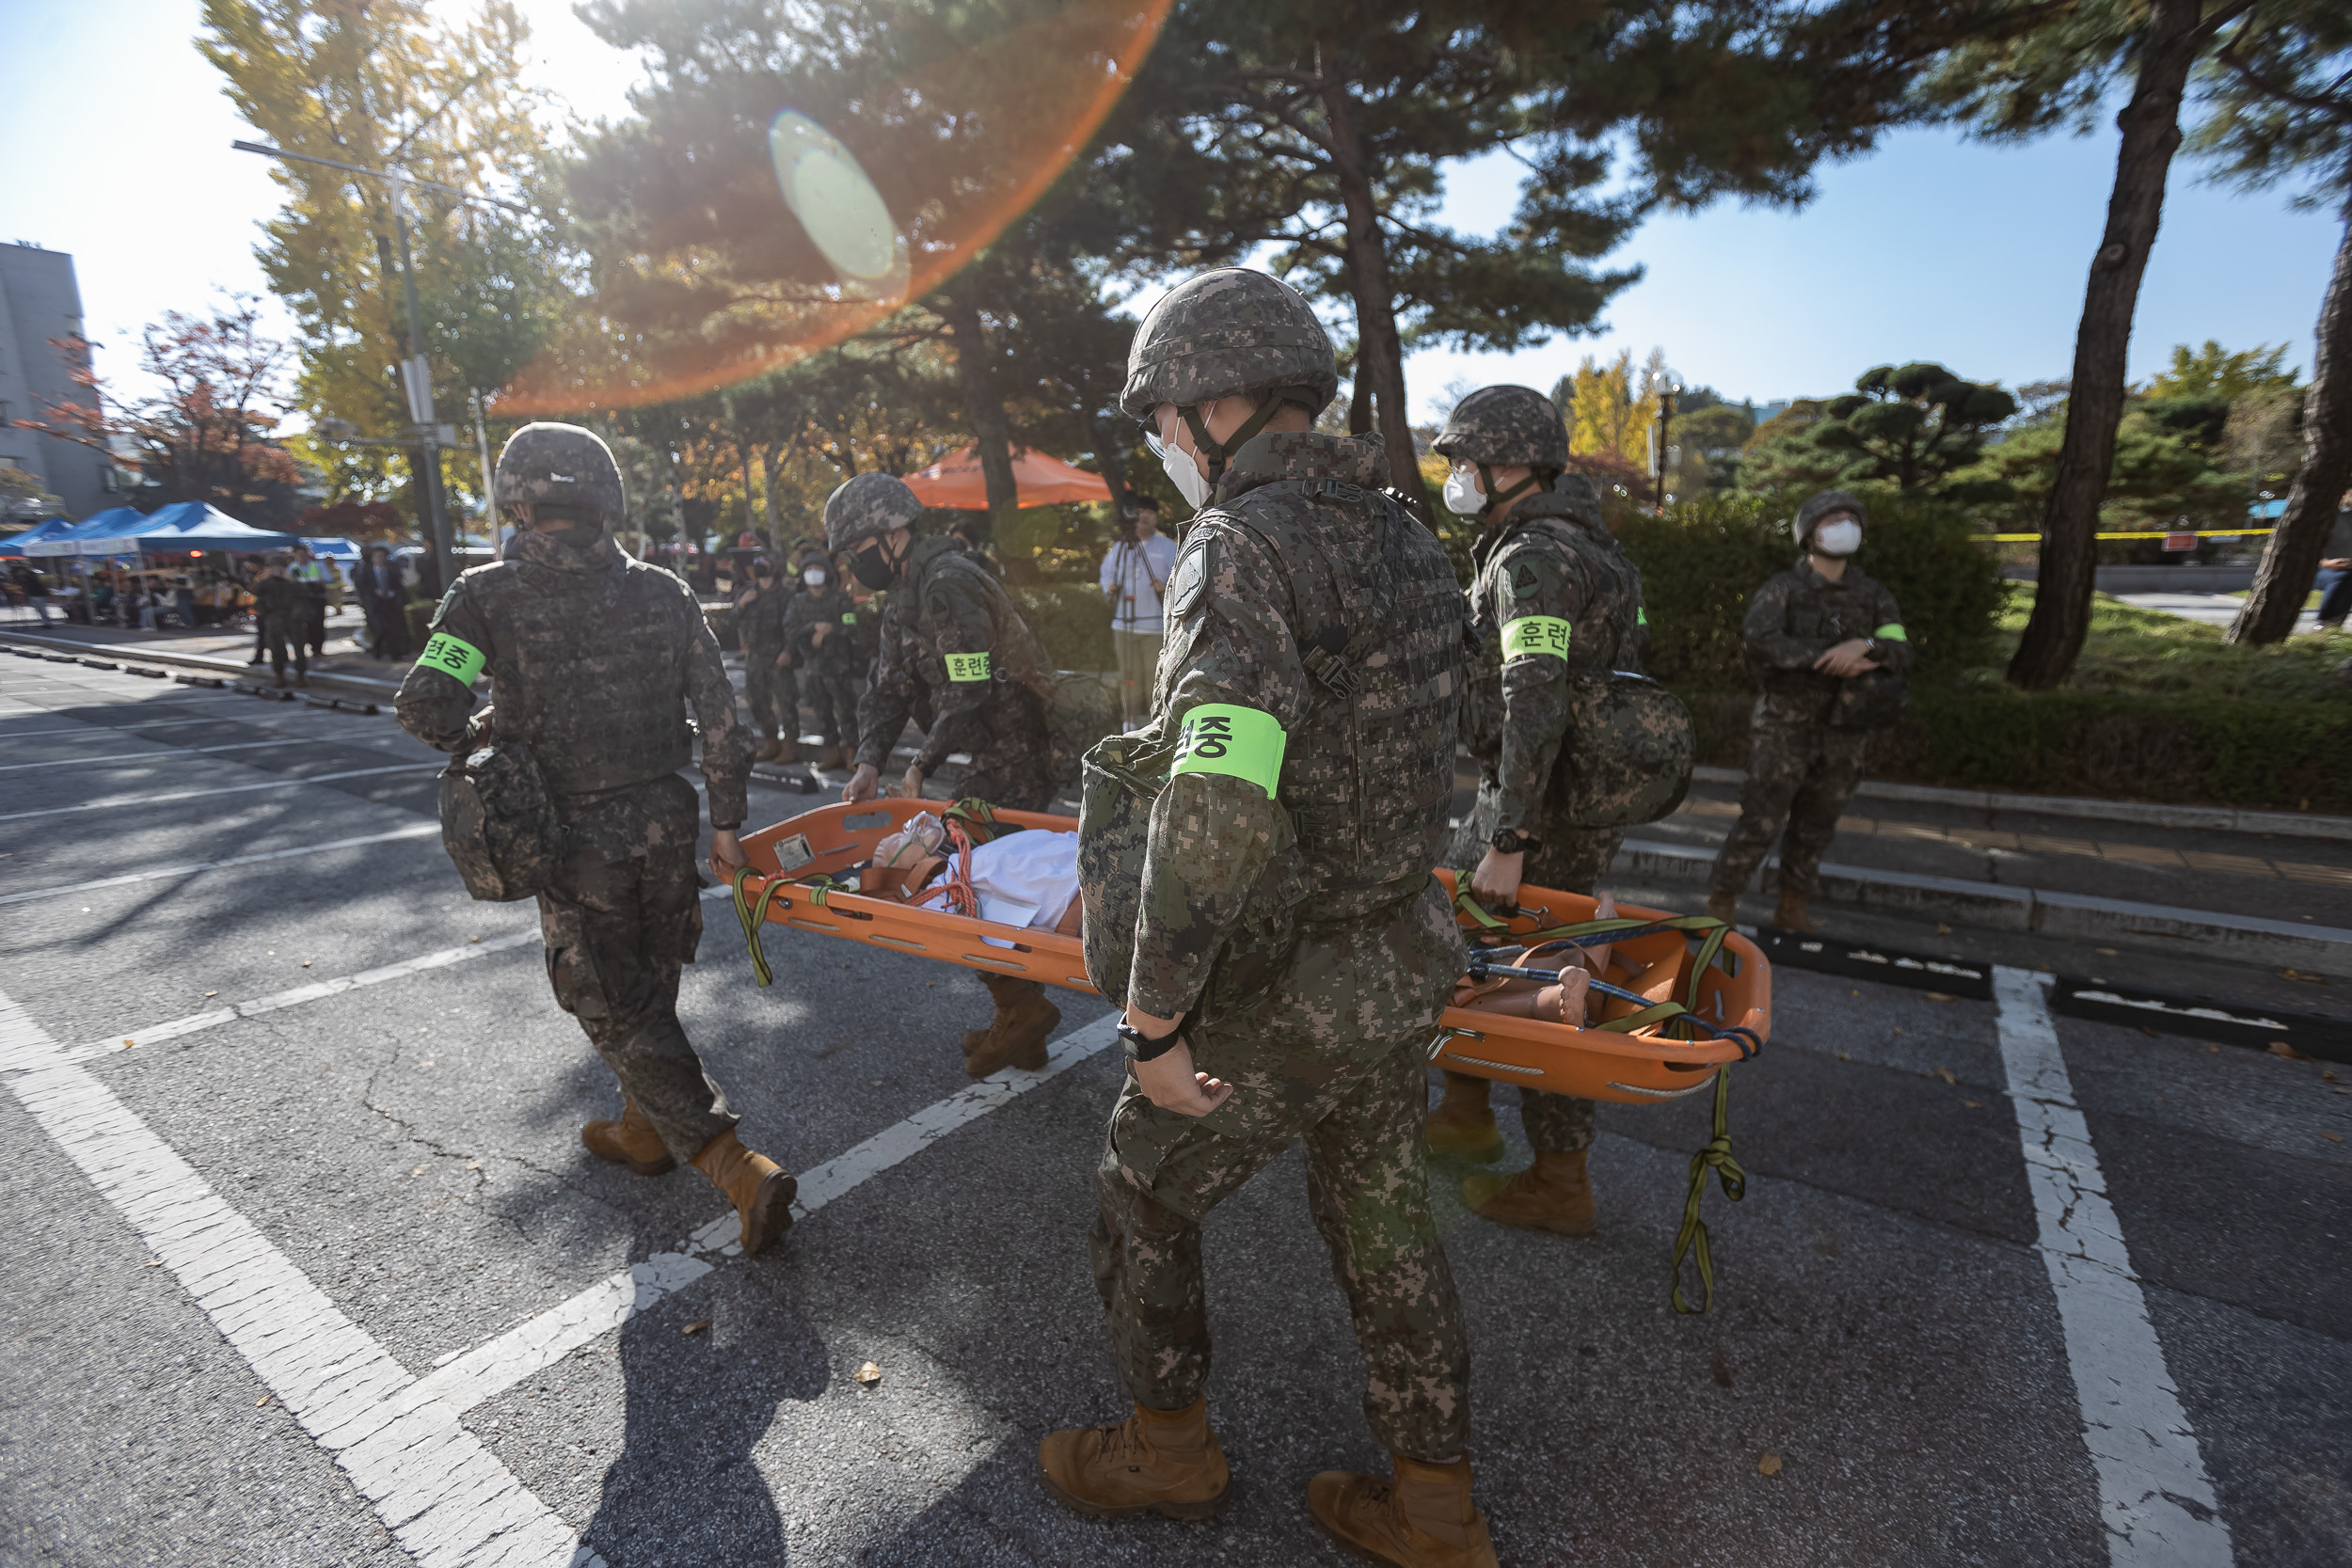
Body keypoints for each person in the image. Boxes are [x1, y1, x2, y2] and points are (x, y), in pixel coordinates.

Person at [1038, 268, 1494, 1568]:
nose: (1166, 446)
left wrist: (1156, 1018)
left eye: (1166, 419)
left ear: (1220, 403)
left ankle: (1169, 1447)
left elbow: (1221, 790)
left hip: (1286, 986)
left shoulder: (1237, 546)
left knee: (1144, 1183)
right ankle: (1436, 1504)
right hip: (1399, 956)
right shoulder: (1408, 532)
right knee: (1385, 1218)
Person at [395, 422, 795, 1256]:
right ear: (605, 496)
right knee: (646, 981)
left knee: (609, 1004)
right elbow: (725, 725)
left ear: (517, 499)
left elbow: (425, 706)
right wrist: (727, 824)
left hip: (570, 835)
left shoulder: (484, 594)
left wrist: (492, 729)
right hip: (666, 820)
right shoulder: (665, 591)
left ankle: (732, 1164)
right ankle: (641, 1131)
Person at [1422, 385, 1647, 1239]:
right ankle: (1467, 1113)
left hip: (1533, 810)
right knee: (1475, 950)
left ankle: (1560, 1178)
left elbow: (1534, 696)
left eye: (1466, 461)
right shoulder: (1593, 548)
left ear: (1510, 465)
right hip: (1570, 798)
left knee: (1545, 978)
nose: (1458, 476)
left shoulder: (1532, 558)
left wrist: (1509, 836)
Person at [829, 471, 1066, 1078]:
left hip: (1017, 747)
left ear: (891, 534)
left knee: (958, 871)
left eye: (856, 553)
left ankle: (1021, 1010)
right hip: (984, 749)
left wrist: (919, 764)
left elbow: (971, 685)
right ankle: (1023, 1018)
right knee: (972, 875)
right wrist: (868, 761)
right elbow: (888, 688)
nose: (855, 568)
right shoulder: (902, 598)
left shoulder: (949, 584)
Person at [1706, 489, 1915, 933]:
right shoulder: (1783, 589)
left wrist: (1869, 646)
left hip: (1845, 730)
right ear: (1808, 533)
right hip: (1786, 726)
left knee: (1817, 823)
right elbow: (1762, 642)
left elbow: (1900, 648)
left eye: (1850, 517)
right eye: (1833, 518)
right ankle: (1722, 900)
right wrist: (1832, 657)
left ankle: (1792, 906)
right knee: (1760, 818)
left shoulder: (1873, 594)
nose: (1845, 525)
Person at [1098, 497, 1179, 725]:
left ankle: (1158, 722)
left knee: (1154, 676)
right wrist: (1110, 587)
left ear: (1156, 517)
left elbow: (1181, 576)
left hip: (1154, 625)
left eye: (1150, 512)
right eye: (1140, 511)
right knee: (1128, 676)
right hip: (1123, 624)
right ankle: (1129, 721)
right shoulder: (1122, 546)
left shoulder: (1167, 546)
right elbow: (1106, 574)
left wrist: (1166, 587)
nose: (1143, 516)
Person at [780, 546, 859, 770]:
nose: (813, 572)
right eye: (809, 569)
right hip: (813, 666)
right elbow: (790, 630)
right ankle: (832, 752)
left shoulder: (840, 599)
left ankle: (852, 754)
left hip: (838, 664)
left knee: (845, 710)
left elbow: (852, 624)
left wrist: (831, 628)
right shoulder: (797, 602)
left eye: (817, 568)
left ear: (826, 572)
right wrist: (812, 627)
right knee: (821, 710)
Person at [736, 557, 797, 763]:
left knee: (786, 702)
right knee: (757, 700)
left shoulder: (785, 595)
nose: (758, 566)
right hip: (756, 655)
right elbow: (731, 621)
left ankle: (790, 746)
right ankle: (772, 742)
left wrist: (788, 650)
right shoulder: (748, 592)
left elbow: (793, 626)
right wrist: (741, 604)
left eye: (764, 562)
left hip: (778, 654)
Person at [250, 557, 308, 688]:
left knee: (299, 646)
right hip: (273, 616)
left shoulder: (291, 579)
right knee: (276, 647)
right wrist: (266, 577)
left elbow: (303, 592)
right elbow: (255, 591)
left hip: (292, 616)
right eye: (273, 567)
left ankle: (301, 676)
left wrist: (288, 578)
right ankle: (279, 676)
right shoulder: (266, 582)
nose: (276, 570)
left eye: (278, 567)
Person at [356, 545, 409, 659]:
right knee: (380, 628)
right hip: (375, 606)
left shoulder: (391, 572)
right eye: (377, 556)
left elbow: (399, 587)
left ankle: (395, 654)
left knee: (393, 629)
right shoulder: (366, 573)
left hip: (390, 604)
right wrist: (374, 592)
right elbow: (362, 588)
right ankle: (377, 648)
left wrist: (392, 593)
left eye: (382, 556)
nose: (380, 558)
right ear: (372, 558)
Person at [2314, 492, 2352, 632]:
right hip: (2328, 570)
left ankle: (2328, 625)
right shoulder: (2329, 519)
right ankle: (2327, 624)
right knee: (2344, 578)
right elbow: (2309, 552)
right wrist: (2327, 564)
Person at [289, 543, 331, 656]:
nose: (301, 556)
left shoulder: (317, 565)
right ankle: (304, 646)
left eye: (303, 554)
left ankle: (317, 648)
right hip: (301, 599)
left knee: (318, 624)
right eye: (298, 554)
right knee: (303, 624)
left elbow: (328, 578)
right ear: (294, 555)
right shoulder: (292, 568)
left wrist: (319, 580)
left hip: (316, 598)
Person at [11, 562, 56, 626]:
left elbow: (37, 584)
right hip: (32, 594)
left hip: (38, 594)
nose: (19, 573)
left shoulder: (31, 576)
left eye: (20, 571)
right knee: (37, 608)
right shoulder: (24, 577)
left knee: (41, 609)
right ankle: (45, 622)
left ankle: (47, 623)